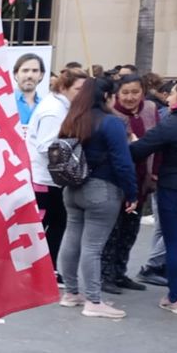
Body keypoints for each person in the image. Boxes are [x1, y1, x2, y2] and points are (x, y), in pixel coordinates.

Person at [57, 77, 138, 319]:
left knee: (71, 240)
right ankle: (93, 300)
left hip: (72, 187)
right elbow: (123, 162)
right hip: (102, 190)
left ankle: (71, 293)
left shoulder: (72, 119)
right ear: (106, 96)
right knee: (93, 247)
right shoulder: (111, 123)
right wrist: (132, 193)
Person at [130, 79, 177, 313]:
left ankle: (175, 298)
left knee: (174, 245)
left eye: (172, 94)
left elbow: (139, 150)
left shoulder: (171, 124)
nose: (168, 97)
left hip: (173, 191)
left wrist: (132, 141)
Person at [26, 67, 90, 277]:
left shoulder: (60, 105)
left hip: (50, 176)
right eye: (78, 89)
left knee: (55, 223)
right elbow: (46, 146)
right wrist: (72, 151)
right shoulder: (54, 110)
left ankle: (45, 268)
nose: (82, 94)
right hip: (45, 177)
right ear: (64, 87)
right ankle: (42, 269)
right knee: (48, 223)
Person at [101, 74, 159, 293]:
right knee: (112, 232)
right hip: (117, 182)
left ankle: (119, 272)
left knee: (130, 231)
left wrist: (155, 174)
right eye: (125, 92)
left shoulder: (151, 109)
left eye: (135, 92)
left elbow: (159, 142)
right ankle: (105, 275)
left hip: (143, 181)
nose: (130, 97)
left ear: (143, 92)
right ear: (116, 94)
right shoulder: (110, 113)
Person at [12, 53, 45, 130]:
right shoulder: (5, 103)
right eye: (25, 70)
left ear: (41, 75)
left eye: (35, 71)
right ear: (16, 74)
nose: (29, 75)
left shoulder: (44, 105)